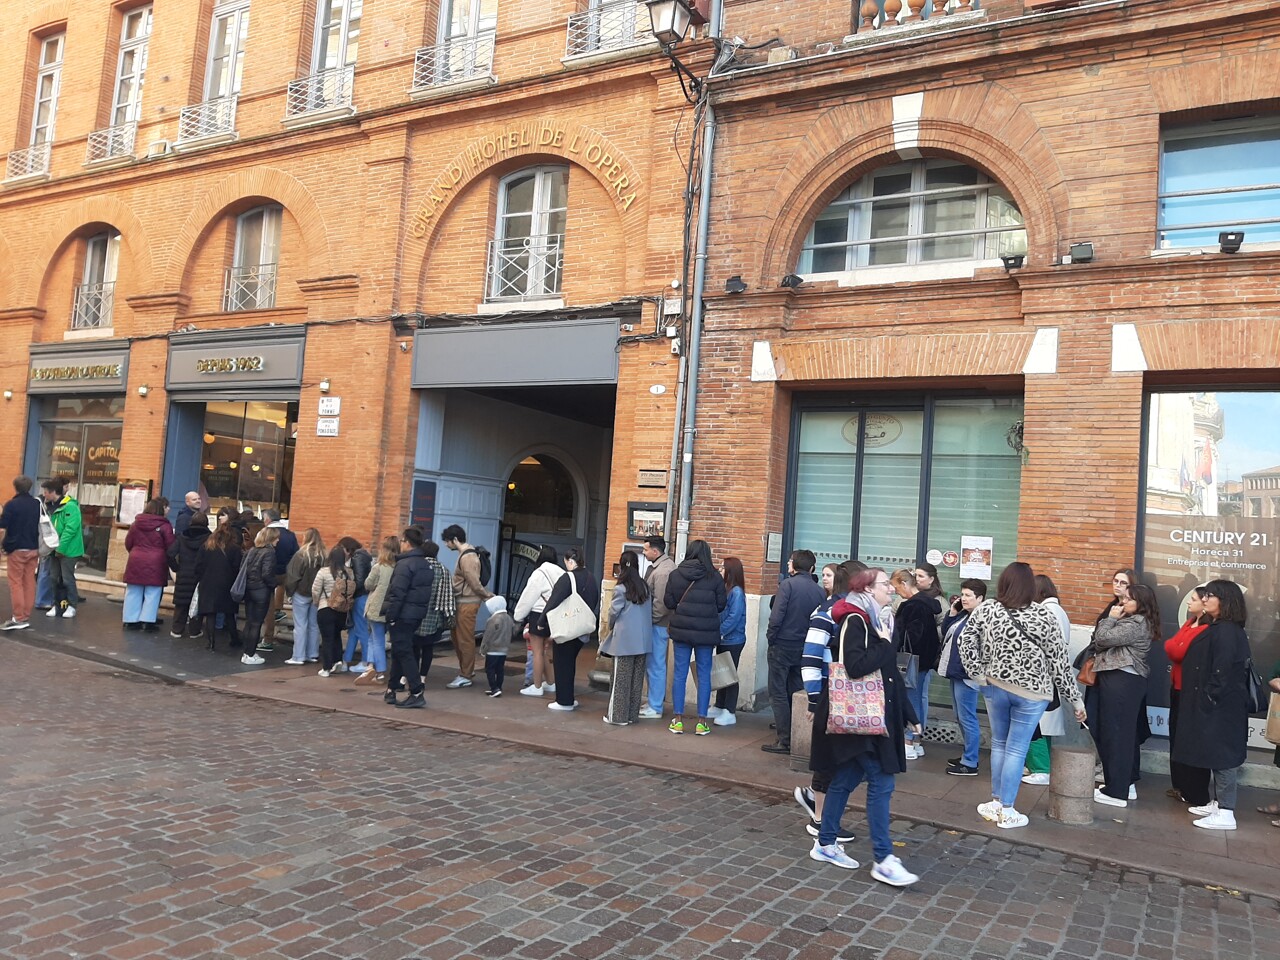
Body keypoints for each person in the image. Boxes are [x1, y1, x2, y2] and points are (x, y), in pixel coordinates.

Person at [805, 567, 921, 886]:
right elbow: (854, 667)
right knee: (881, 782)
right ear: (868, 589)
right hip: (861, 714)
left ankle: (826, 843)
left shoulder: (878, 619)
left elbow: (888, 672)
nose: (893, 590)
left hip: (873, 713)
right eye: (886, 585)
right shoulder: (855, 620)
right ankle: (883, 859)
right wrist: (884, 644)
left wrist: (910, 714)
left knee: (847, 777)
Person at [959, 562, 1086, 829]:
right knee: (1017, 748)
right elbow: (1059, 663)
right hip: (1032, 692)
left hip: (995, 685)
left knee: (1000, 744)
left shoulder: (988, 609)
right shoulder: (1044, 616)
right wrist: (1075, 699)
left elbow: (965, 640)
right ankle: (1007, 809)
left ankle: (996, 802)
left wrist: (978, 673)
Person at [1171, 580, 1254, 830]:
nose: (1205, 599)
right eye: (1204, 595)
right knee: (1215, 753)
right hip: (1219, 704)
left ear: (1225, 600)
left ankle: (1226, 811)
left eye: (1211, 595)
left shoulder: (1227, 630)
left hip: (1222, 706)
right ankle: (1219, 803)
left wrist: (1209, 696)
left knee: (1223, 757)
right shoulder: (1221, 627)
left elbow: (1222, 669)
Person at [795, 561, 858, 844]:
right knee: (828, 758)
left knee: (839, 757)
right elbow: (810, 657)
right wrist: (815, 698)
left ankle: (817, 804)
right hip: (831, 695)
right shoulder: (828, 613)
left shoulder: (853, 612)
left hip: (845, 694)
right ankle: (819, 818)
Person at [1089, 582, 1157, 807]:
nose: (1122, 601)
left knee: (1117, 735)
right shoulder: (1131, 621)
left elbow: (1103, 639)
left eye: (1129, 598)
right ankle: (1120, 785)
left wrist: (1110, 618)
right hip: (1118, 680)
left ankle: (1117, 792)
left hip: (1123, 681)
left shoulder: (1136, 623)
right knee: (1113, 733)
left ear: (1141, 603)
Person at [762, 550, 827, 754]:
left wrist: (771, 637)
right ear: (812, 568)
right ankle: (797, 732)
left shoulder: (787, 585)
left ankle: (784, 739)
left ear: (794, 565)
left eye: (790, 561)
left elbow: (776, 616)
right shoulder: (819, 591)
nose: (788, 564)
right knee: (796, 689)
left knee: (777, 692)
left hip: (782, 644)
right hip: (804, 645)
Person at [664, 539, 727, 736]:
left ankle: (678, 720)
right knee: (704, 676)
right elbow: (721, 605)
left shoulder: (676, 574)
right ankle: (701, 722)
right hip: (706, 633)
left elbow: (668, 602)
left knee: (680, 675)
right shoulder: (715, 576)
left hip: (681, 631)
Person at [1023, 574, 1073, 785]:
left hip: (1040, 676)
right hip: (1049, 675)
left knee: (1036, 723)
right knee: (1045, 722)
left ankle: (1041, 768)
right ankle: (1040, 766)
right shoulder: (1057, 610)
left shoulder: (1046, 611)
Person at [1164, 586, 1212, 806]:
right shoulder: (1188, 622)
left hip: (1189, 689)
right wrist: (1175, 645)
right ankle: (1180, 785)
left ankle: (1193, 790)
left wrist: (1175, 645)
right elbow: (1173, 644)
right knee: (1175, 734)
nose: (1188, 603)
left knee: (1187, 737)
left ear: (1205, 602)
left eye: (1193, 599)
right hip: (1176, 686)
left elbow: (1176, 650)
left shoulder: (1204, 628)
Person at [890, 568, 942, 760]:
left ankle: (908, 742)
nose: (895, 591)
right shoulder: (928, 604)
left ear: (904, 584)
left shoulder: (911, 606)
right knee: (917, 698)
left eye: (896, 587)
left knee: (910, 700)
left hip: (910, 660)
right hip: (924, 661)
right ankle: (917, 742)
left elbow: (910, 635)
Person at [542, 546, 600, 712]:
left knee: (562, 663)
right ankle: (568, 698)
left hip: (568, 626)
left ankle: (564, 700)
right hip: (583, 628)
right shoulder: (591, 577)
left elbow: (554, 601)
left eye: (566, 561)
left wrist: (542, 620)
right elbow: (594, 598)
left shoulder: (567, 578)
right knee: (570, 662)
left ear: (571, 561)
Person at [940, 578, 987, 776]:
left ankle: (970, 762)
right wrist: (952, 612)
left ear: (980, 598)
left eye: (968, 595)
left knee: (967, 718)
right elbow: (946, 633)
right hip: (956, 672)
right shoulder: (965, 616)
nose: (964, 598)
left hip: (967, 676)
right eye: (963, 594)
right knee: (961, 716)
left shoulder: (982, 618)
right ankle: (967, 755)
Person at [602, 549, 652, 725]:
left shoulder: (621, 588)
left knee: (620, 681)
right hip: (644, 641)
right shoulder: (645, 587)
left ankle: (617, 717)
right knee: (636, 681)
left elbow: (614, 613)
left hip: (624, 641)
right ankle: (631, 715)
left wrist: (609, 626)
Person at [441, 524, 493, 689]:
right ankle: (466, 671)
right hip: (463, 602)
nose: (445, 545)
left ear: (455, 540)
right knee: (457, 638)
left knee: (464, 639)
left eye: (447, 541)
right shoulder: (465, 554)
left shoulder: (467, 557)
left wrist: (487, 596)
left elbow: (473, 581)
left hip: (467, 602)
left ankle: (466, 674)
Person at [514, 545, 562, 697]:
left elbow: (528, 596)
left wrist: (518, 615)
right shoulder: (562, 573)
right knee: (548, 651)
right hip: (555, 616)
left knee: (537, 652)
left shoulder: (539, 573)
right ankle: (550, 683)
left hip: (539, 615)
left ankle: (536, 686)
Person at [122, 498, 175, 632]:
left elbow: (128, 542)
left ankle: (130, 620)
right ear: (161, 509)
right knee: (153, 592)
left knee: (133, 590)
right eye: (166, 507)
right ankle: (147, 621)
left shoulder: (136, 524)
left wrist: (135, 552)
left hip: (136, 559)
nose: (168, 509)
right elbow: (170, 545)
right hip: (156, 561)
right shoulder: (165, 525)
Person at [640, 536, 677, 719]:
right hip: (658, 624)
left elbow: (661, 604)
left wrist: (650, 621)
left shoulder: (662, 571)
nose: (643, 552)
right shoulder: (661, 567)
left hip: (658, 625)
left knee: (655, 665)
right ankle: (653, 703)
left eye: (646, 549)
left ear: (655, 551)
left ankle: (655, 706)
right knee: (654, 665)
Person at [707, 556, 747, 727]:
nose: (720, 570)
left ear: (731, 572)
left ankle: (729, 711)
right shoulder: (725, 589)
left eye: (723, 568)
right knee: (722, 673)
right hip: (724, 638)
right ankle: (720, 705)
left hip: (733, 640)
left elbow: (734, 617)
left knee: (730, 675)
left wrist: (720, 632)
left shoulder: (736, 592)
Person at [0, 476, 41, 630]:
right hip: (33, 547)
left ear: (15, 487)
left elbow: (2, 526)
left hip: (16, 548)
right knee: (29, 581)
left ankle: (18, 617)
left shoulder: (12, 505)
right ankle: (25, 615)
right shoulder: (37, 504)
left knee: (16, 583)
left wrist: (2, 545)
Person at [41, 478, 84, 619]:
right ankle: (57, 604)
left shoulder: (70, 506)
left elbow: (70, 529)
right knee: (54, 578)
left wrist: (61, 548)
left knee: (67, 579)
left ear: (53, 492)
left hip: (69, 551)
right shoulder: (49, 506)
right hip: (54, 549)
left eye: (46, 492)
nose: (44, 495)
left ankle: (71, 605)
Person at [358, 535, 398, 684]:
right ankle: (370, 666)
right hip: (391, 608)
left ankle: (379, 671)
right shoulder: (398, 567)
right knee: (374, 638)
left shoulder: (379, 567)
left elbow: (368, 584)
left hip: (376, 607)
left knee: (377, 640)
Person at [237, 527, 279, 666]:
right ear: (271, 539)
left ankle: (246, 652)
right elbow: (267, 574)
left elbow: (242, 568)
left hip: (249, 590)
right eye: (276, 538)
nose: (278, 540)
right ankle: (250, 653)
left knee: (249, 622)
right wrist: (274, 584)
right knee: (256, 623)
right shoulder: (269, 553)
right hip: (261, 591)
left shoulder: (251, 551)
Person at [198, 521, 243, 651]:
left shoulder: (206, 546)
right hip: (227, 584)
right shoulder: (234, 549)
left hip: (208, 583)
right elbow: (237, 568)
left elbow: (198, 566)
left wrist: (201, 578)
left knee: (210, 614)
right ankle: (234, 639)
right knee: (229, 614)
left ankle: (211, 642)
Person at [284, 529, 326, 665]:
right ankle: (312, 654)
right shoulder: (323, 555)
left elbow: (293, 576)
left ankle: (298, 656)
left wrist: (290, 592)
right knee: (314, 625)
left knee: (300, 625)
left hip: (301, 593)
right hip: (317, 594)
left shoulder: (301, 554)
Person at [415, 540, 454, 681]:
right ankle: (423, 676)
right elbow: (449, 594)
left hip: (417, 614)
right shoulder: (444, 570)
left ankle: (409, 676)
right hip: (434, 617)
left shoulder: (418, 567)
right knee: (428, 648)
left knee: (414, 647)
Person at [260, 509, 298, 652]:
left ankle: (268, 638)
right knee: (280, 587)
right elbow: (295, 554)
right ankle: (279, 608)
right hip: (285, 571)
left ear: (268, 520)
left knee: (267, 606)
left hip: (268, 572)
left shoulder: (264, 533)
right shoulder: (290, 535)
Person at [312, 546, 354, 677]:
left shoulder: (324, 572)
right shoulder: (349, 573)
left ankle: (326, 667)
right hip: (342, 609)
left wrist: (316, 602)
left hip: (326, 608)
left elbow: (315, 590)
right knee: (336, 636)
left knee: (327, 638)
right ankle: (338, 660)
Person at [169, 512, 210, 639]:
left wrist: (176, 568)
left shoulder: (182, 537)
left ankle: (177, 630)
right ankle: (194, 631)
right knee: (197, 603)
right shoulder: (209, 538)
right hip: (200, 576)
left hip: (184, 574)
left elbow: (170, 554)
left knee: (181, 604)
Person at [339, 537, 374, 672]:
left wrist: (349, 592)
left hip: (360, 597)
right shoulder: (364, 556)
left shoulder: (357, 557)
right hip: (363, 596)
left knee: (360, 630)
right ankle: (346, 659)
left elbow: (359, 580)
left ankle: (365, 662)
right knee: (355, 630)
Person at [479, 595, 514, 697]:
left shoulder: (492, 620)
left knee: (490, 669)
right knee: (500, 669)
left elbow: (487, 636)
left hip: (492, 650)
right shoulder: (509, 619)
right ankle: (498, 687)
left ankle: (494, 688)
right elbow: (514, 631)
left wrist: (483, 649)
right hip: (504, 650)